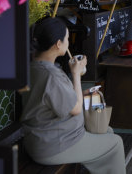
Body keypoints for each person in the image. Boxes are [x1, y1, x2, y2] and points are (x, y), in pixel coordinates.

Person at [21, 17, 126, 174]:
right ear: (58, 44)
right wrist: (76, 74)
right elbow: (76, 109)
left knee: (107, 131)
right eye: (67, 39)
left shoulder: (33, 67)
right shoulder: (51, 75)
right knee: (116, 142)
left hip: (40, 137)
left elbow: (50, 99)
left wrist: (79, 92)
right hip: (55, 144)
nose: (68, 43)